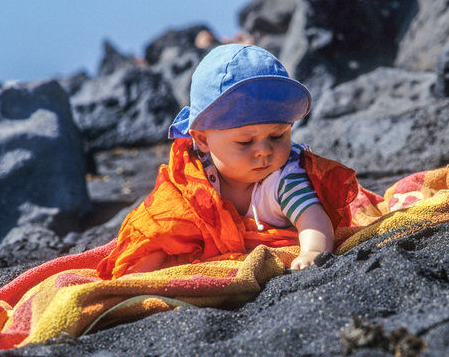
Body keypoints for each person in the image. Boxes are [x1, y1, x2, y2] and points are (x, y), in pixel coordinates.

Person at [97, 44, 356, 280]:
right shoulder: (194, 177)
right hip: (198, 228)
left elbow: (312, 217)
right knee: (162, 231)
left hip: (272, 237)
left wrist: (312, 251)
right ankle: (136, 278)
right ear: (203, 140)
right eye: (245, 142)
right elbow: (162, 225)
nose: (264, 150)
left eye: (277, 135)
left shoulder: (285, 176)